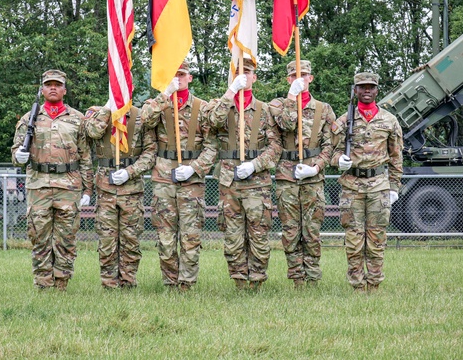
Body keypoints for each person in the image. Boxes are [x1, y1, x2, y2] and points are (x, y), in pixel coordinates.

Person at [204, 56, 282, 289]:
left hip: (257, 182)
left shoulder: (265, 110)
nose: (243, 76)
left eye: (247, 72)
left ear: (254, 77)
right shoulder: (220, 105)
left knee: (258, 233)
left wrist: (255, 164)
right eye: (239, 72)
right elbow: (212, 121)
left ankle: (256, 281)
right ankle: (238, 281)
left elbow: (275, 146)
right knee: (233, 235)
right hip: (229, 182)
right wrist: (231, 92)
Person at [140, 61, 218, 291]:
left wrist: (195, 168)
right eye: (174, 74)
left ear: (190, 78)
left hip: (191, 180)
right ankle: (170, 283)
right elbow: (145, 119)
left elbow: (212, 146)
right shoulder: (158, 103)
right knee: (165, 236)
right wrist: (166, 93)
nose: (178, 78)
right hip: (164, 177)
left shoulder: (202, 108)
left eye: (182, 74)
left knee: (190, 235)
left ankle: (187, 284)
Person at [12, 69, 93, 291]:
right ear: (43, 89)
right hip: (39, 185)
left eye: (58, 84)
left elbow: (85, 156)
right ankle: (43, 284)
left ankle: (61, 284)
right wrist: (18, 156)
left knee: (66, 238)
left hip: (69, 185)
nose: (53, 87)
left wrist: (88, 191)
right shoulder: (30, 118)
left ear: (64, 90)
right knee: (39, 237)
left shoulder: (77, 119)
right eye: (49, 84)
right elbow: (16, 152)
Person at [330, 71, 404, 292]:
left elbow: (396, 156)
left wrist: (394, 186)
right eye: (362, 87)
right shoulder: (343, 121)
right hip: (352, 185)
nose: (367, 91)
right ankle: (357, 286)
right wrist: (338, 160)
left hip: (379, 186)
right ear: (355, 90)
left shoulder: (389, 121)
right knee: (354, 239)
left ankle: (374, 284)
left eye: (371, 87)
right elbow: (330, 152)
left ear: (377, 90)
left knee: (376, 238)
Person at [268, 59, 336, 287]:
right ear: (288, 79)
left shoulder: (323, 109)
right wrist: (291, 97)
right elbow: (286, 125)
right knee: (290, 230)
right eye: (295, 75)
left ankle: (313, 278)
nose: (300, 78)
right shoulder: (278, 104)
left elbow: (330, 145)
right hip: (287, 175)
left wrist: (316, 167)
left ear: (311, 78)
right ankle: (297, 278)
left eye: (304, 75)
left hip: (313, 177)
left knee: (312, 230)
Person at [84, 102, 156, 289]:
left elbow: (150, 153)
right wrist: (107, 110)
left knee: (130, 240)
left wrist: (130, 171)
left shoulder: (140, 116)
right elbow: (92, 133)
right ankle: (109, 283)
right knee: (107, 240)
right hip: (106, 189)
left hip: (131, 190)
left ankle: (128, 281)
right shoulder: (97, 114)